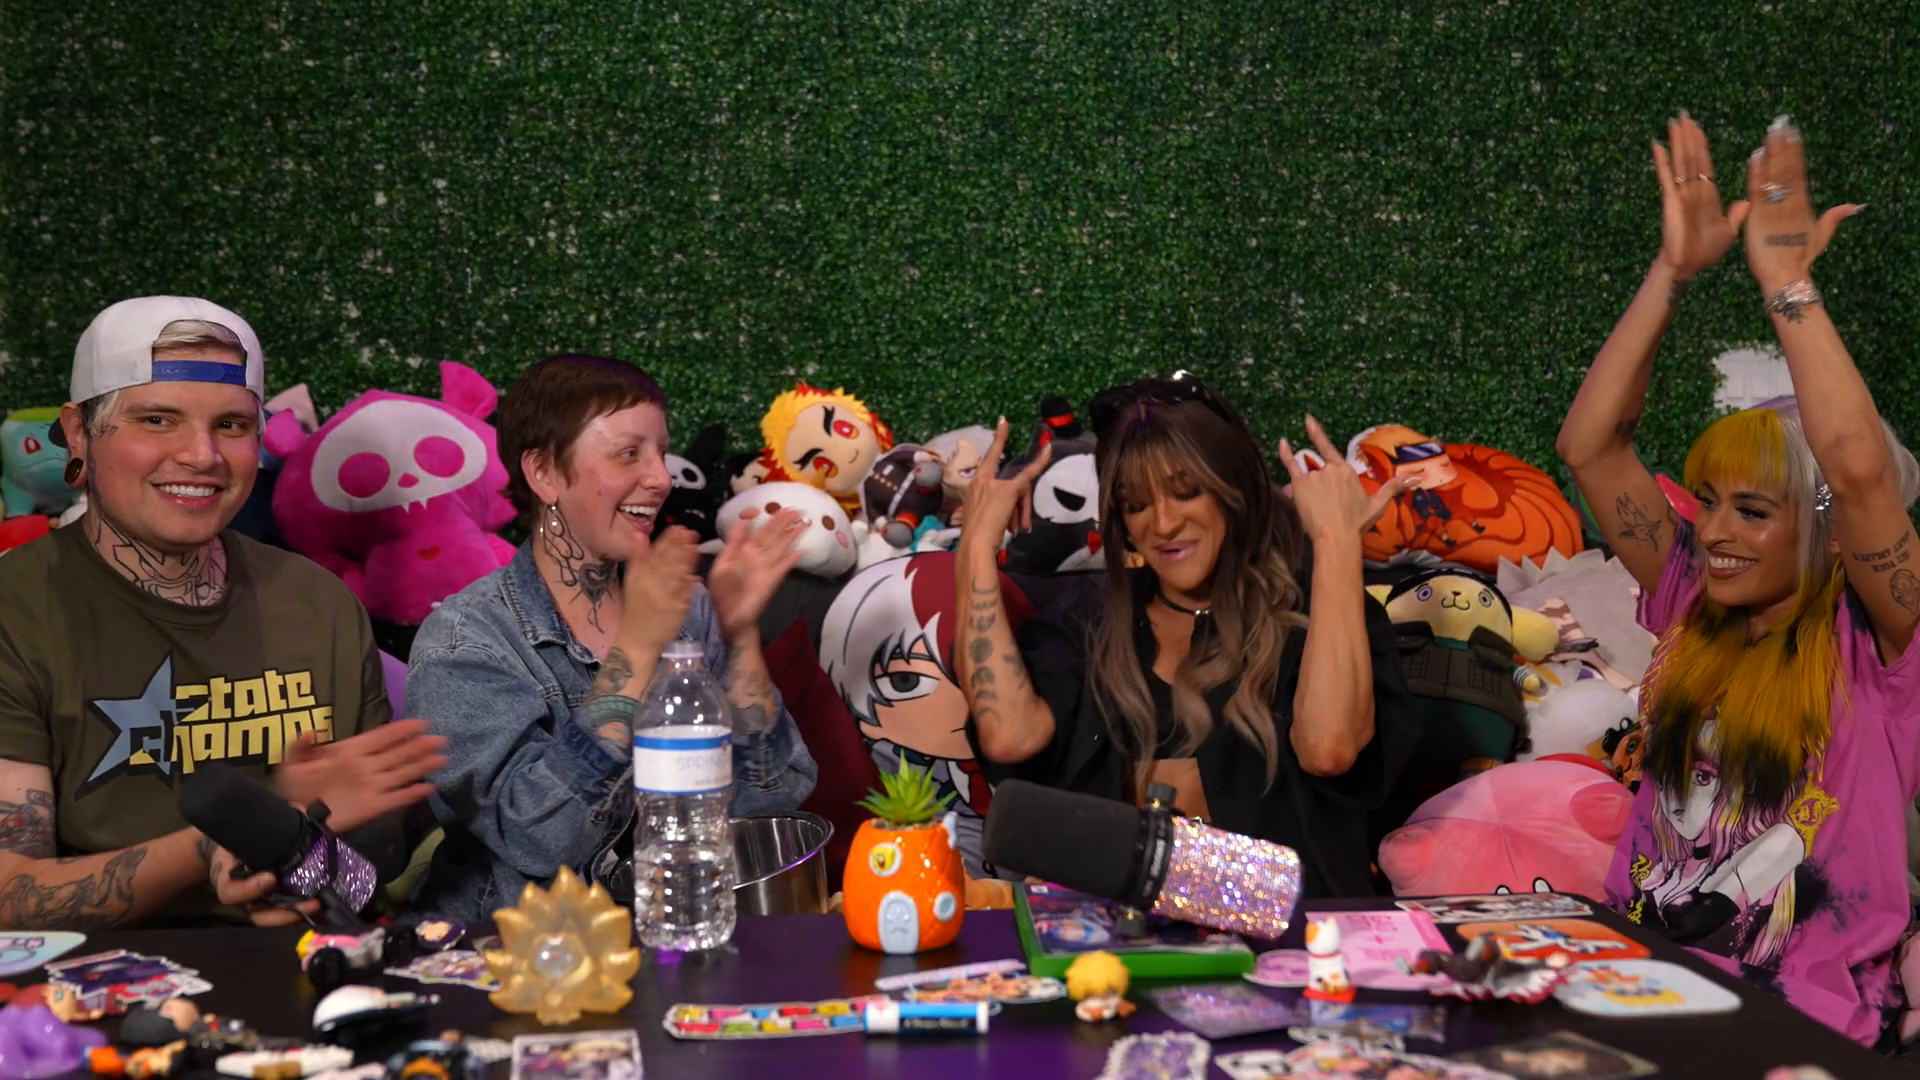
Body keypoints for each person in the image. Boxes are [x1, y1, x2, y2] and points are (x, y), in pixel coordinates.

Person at [1557, 114, 1917, 1048]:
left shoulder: (1883, 647)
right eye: (1709, 502)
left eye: (1751, 511)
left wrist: (1787, 285)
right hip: (1635, 987)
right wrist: (1672, 272)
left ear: (1827, 532)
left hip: (1797, 1027)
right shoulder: (1695, 600)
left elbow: (1860, 473)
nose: (1711, 530)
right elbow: (1590, 447)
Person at [0, 296, 448, 929]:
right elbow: (9, 898)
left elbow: (362, 884)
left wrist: (303, 850)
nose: (202, 455)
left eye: (232, 425)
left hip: (302, 972)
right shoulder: (16, 609)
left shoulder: (318, 604)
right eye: (157, 419)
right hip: (90, 985)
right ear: (79, 432)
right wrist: (225, 839)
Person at [954, 373, 1420, 898]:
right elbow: (1009, 738)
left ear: (1233, 491)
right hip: (1109, 926)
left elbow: (1328, 749)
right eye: (1136, 504)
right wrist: (975, 547)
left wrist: (1336, 541)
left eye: (1185, 492)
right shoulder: (1087, 618)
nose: (1163, 524)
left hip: (1288, 925)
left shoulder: (1316, 610)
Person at [407, 353, 818, 921]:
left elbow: (772, 799)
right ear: (544, 473)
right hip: (524, 952)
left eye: (660, 452)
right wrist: (639, 649)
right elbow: (541, 840)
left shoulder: (691, 607)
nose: (662, 478)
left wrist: (738, 630)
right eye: (629, 454)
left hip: (681, 931)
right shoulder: (465, 642)